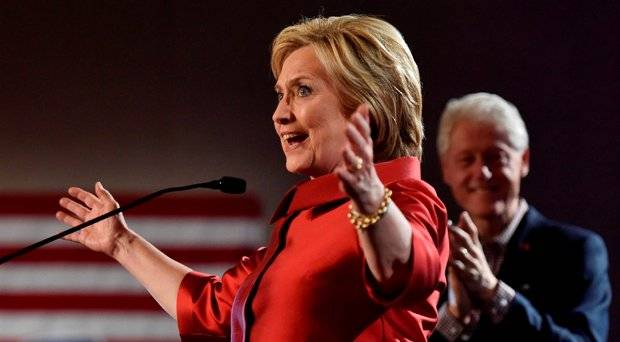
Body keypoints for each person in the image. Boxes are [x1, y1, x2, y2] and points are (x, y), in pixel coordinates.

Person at [56, 15, 449, 341]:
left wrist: (371, 201)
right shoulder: (303, 224)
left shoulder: (406, 198)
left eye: (303, 91)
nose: (279, 115)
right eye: (280, 94)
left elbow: (411, 270)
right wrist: (121, 242)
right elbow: (212, 309)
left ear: (370, 106)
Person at [429, 92, 611, 341]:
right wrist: (455, 317)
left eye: (496, 157)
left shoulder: (576, 251)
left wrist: (495, 294)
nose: (482, 172)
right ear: (446, 168)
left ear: (524, 160)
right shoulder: (434, 257)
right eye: (466, 159)